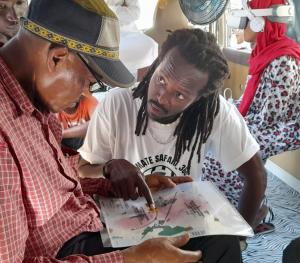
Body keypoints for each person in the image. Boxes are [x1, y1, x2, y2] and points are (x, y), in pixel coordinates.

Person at [0, 0, 247, 263]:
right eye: (87, 82)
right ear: (57, 58)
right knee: (217, 256)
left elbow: (51, 189)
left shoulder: (33, 103)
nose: (84, 95)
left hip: (87, 228)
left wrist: (111, 187)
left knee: (217, 238)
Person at [78, 28, 267, 230]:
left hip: (181, 224)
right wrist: (109, 167)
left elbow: (256, 175)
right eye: (161, 79)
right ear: (157, 63)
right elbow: (81, 172)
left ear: (198, 98)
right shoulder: (117, 103)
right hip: (124, 225)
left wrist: (240, 237)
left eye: (179, 95)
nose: (161, 97)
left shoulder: (214, 112)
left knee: (223, 250)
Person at [202, 0, 300, 233]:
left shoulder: (283, 60)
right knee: (212, 137)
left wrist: (232, 126)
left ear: (259, 22)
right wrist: (225, 113)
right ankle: (228, 206)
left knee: (222, 155)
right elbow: (252, 103)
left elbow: (270, 119)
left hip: (285, 128)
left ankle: (253, 212)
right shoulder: (265, 52)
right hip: (266, 123)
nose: (239, 26)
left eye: (244, 20)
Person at [105, 0, 158, 80]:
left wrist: (111, 10)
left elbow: (135, 12)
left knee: (150, 45)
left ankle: (133, 82)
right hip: (100, 29)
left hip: (126, 29)